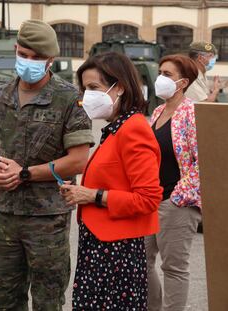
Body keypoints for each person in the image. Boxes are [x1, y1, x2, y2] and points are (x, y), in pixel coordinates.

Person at [0, 19, 94, 310]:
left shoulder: (68, 99)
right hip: (6, 215)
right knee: (5, 299)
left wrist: (25, 174)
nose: (29, 62)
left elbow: (78, 160)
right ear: (15, 50)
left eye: (37, 58)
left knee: (47, 300)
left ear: (51, 60)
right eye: (24, 55)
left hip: (48, 219)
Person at [60, 51, 163, 310]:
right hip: (101, 247)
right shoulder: (117, 128)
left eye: (94, 88)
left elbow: (148, 198)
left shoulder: (134, 129)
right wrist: (82, 192)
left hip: (116, 254)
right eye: (84, 89)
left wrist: (93, 195)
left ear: (121, 88)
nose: (87, 97)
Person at [145, 54, 201, 311]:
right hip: (150, 199)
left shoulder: (192, 113)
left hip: (177, 203)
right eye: (160, 72)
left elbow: (202, 161)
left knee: (174, 268)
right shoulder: (158, 111)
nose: (160, 78)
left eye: (167, 74)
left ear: (183, 82)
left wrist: (180, 197)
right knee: (142, 261)